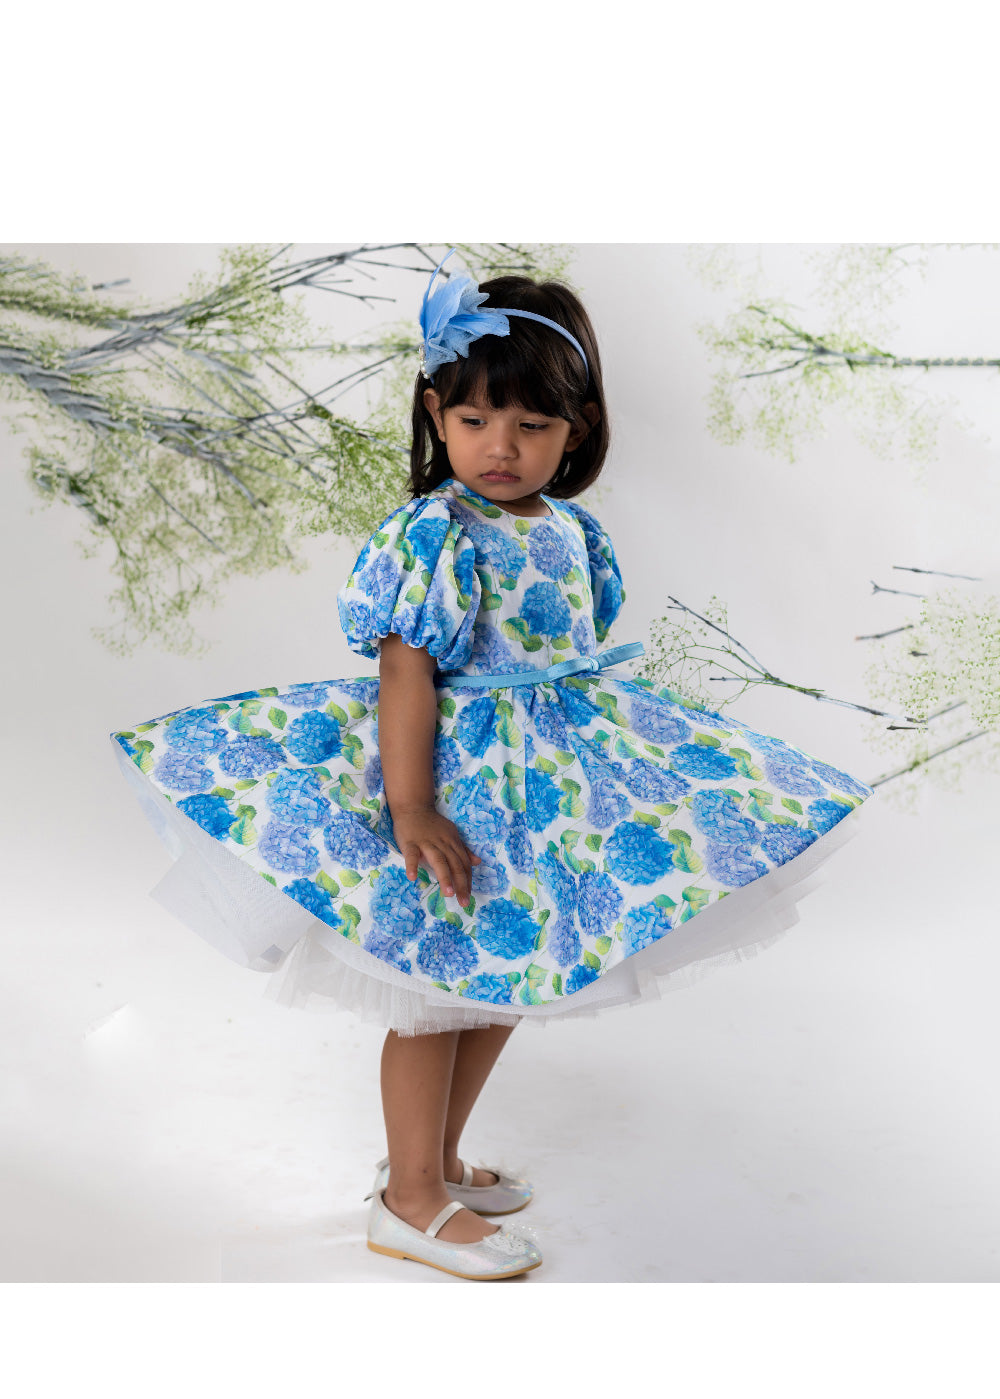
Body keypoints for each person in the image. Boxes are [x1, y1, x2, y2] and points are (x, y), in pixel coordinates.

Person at [109, 248, 876, 1281]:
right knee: (433, 992)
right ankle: (407, 1200)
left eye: (532, 425)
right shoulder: (435, 534)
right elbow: (406, 674)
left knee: (505, 982)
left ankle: (432, 1164)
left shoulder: (573, 532)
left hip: (544, 791)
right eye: (474, 420)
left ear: (578, 429)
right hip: (457, 783)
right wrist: (412, 806)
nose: (501, 447)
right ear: (436, 414)